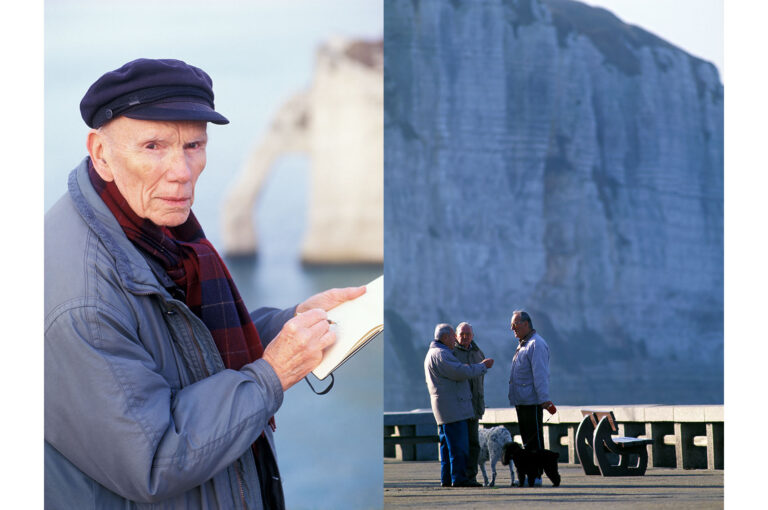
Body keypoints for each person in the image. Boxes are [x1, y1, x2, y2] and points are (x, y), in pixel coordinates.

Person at [44, 58, 366, 509]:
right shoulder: (83, 302)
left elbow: (178, 349)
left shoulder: (147, 225)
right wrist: (272, 373)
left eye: (193, 145)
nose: (181, 170)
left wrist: (291, 322)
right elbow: (154, 460)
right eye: (153, 146)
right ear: (101, 154)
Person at [425, 323, 494, 488]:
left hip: (448, 408)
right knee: (459, 447)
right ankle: (460, 479)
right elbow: (461, 372)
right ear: (447, 337)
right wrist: (483, 366)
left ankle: (447, 479)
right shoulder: (442, 354)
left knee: (448, 448)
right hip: (453, 408)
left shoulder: (435, 353)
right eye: (454, 336)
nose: (456, 339)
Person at [508, 310, 557, 487]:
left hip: (532, 402)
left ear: (526, 324)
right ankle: (530, 475)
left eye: (515, 324)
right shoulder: (524, 344)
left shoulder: (536, 344)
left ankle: (536, 476)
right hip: (522, 401)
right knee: (528, 442)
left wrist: (544, 400)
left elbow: (540, 375)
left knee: (534, 442)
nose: (512, 328)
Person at [452, 321, 486, 485]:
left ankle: (471, 476)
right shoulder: (451, 353)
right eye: (462, 334)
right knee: (460, 445)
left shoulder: (478, 352)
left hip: (474, 406)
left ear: (472, 336)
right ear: (456, 336)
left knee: (474, 444)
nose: (465, 337)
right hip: (458, 407)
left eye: (468, 334)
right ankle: (460, 477)